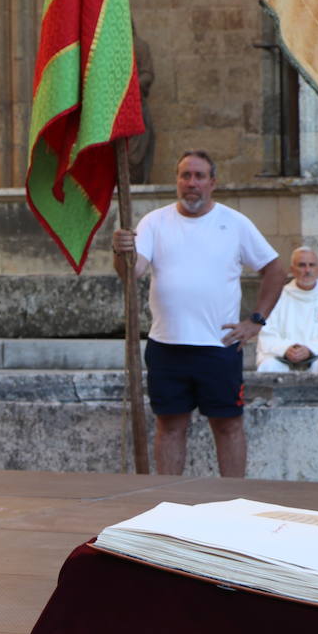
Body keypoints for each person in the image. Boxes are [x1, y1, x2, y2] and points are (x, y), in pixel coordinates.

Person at [113, 150, 285, 477]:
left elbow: (275, 270)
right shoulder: (154, 222)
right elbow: (130, 272)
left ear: (212, 183)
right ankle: (167, 501)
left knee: (228, 426)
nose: (192, 183)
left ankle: (235, 502)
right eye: (185, 176)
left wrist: (255, 321)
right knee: (170, 426)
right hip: (167, 345)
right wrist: (120, 250)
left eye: (199, 176)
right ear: (177, 180)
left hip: (218, 346)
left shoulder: (234, 223)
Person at [254, 247, 318, 374]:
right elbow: (267, 332)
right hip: (284, 356)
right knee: (269, 366)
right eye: (302, 265)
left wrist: (310, 349)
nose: (307, 270)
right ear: (292, 269)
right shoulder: (277, 296)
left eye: (312, 265)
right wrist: (286, 349)